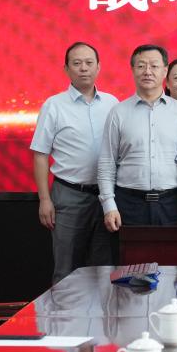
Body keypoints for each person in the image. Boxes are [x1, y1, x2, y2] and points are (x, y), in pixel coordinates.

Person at [30, 42, 118, 284]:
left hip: (106, 197)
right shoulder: (54, 105)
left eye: (89, 63)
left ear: (99, 67)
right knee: (66, 269)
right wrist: (44, 199)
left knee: (103, 269)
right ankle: (64, 311)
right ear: (66, 69)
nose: (83, 68)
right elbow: (40, 154)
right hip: (69, 196)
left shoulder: (112, 103)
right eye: (77, 63)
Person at [97, 45, 177, 230]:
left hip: (173, 204)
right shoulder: (118, 113)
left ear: (165, 71)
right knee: (129, 251)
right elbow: (107, 162)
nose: (147, 71)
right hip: (128, 204)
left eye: (154, 66)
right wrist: (109, 206)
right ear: (133, 70)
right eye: (141, 66)